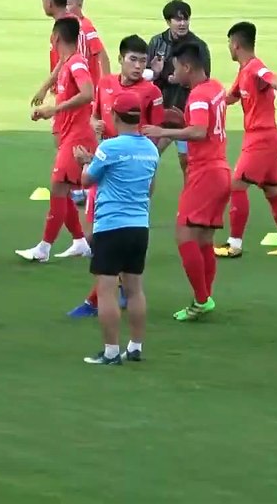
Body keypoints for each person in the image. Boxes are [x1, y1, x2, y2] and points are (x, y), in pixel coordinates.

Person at [68, 34, 163, 317]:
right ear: (120, 59)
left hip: (128, 168)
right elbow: (95, 115)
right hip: (105, 160)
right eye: (133, 59)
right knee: (98, 234)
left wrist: (133, 161)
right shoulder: (105, 84)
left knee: (105, 235)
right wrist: (95, 125)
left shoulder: (151, 93)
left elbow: (154, 134)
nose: (137, 65)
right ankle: (118, 289)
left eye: (142, 60)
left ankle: (97, 300)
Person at [142, 40, 230, 320]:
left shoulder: (199, 96)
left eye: (177, 66)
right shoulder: (215, 87)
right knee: (203, 239)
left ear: (188, 67)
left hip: (204, 173)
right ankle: (203, 298)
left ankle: (202, 299)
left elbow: (199, 131)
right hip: (220, 170)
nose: (173, 70)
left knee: (184, 236)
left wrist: (163, 130)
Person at [73, 92, 158, 365]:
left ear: (115, 116)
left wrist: (85, 162)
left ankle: (110, 351)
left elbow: (86, 181)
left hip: (111, 226)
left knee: (107, 289)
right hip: (139, 227)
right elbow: (150, 188)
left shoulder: (108, 148)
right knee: (135, 289)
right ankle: (135, 347)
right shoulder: (151, 149)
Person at [216, 21, 277, 258]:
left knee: (237, 186)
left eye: (229, 44)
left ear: (235, 45)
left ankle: (234, 245)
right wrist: (205, 103)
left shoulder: (256, 69)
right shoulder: (244, 72)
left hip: (261, 140)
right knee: (273, 192)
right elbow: (231, 98)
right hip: (265, 139)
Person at [16, 16, 96, 262]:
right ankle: (80, 242)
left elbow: (88, 93)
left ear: (56, 37)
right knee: (64, 189)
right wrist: (47, 109)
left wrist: (54, 110)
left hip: (79, 136)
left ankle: (44, 249)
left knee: (59, 187)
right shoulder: (67, 62)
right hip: (70, 133)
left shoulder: (76, 64)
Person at [34, 0, 108, 206]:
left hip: (77, 91)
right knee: (66, 139)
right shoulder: (67, 24)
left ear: (48, 1)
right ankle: (78, 186)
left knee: (74, 139)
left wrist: (102, 88)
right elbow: (66, 59)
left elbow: (85, 57)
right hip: (68, 89)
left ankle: (84, 187)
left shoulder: (74, 26)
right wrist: (47, 85)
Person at [146, 0, 202, 174]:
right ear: (168, 21)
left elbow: (203, 79)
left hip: (186, 113)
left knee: (187, 162)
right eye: (178, 20)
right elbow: (145, 74)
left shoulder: (198, 46)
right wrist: (156, 74)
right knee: (149, 158)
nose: (183, 23)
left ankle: (192, 198)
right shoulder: (156, 42)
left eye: (186, 19)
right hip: (160, 111)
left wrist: (180, 80)